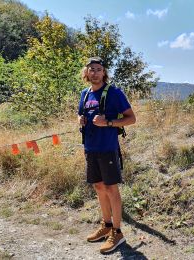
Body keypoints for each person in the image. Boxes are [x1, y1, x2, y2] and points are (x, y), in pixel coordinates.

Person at [78, 57, 136, 253]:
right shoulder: (85, 94)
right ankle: (107, 226)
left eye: (98, 69)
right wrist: (80, 119)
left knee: (111, 189)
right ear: (86, 73)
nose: (94, 72)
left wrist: (108, 122)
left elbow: (131, 119)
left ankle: (117, 233)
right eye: (91, 69)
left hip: (108, 148)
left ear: (104, 73)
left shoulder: (114, 93)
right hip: (91, 148)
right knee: (99, 186)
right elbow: (81, 115)